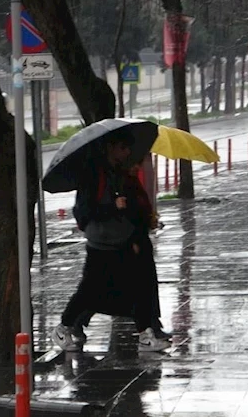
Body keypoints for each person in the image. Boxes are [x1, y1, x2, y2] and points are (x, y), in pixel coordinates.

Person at [52, 131, 171, 353]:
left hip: (121, 240)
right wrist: (112, 206)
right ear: (111, 148)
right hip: (102, 243)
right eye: (123, 148)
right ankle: (64, 326)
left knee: (139, 287)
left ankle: (145, 335)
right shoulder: (93, 175)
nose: (127, 153)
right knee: (89, 290)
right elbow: (85, 211)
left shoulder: (117, 171)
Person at [71, 160, 170, 344]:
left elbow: (139, 209)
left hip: (137, 239)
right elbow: (123, 215)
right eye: (135, 162)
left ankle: (150, 325)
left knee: (139, 285)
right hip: (128, 242)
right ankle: (76, 320)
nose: (137, 166)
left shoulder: (131, 182)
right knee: (114, 287)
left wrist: (150, 220)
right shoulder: (117, 183)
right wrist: (133, 239)